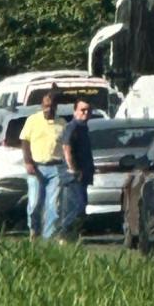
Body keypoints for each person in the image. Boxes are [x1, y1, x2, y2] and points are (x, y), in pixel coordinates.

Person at [20, 91, 67, 241]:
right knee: (34, 203)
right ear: (42, 106)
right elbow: (25, 142)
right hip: (36, 168)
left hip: (56, 168)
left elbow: (67, 147)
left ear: (56, 107)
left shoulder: (62, 124)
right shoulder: (32, 120)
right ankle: (33, 230)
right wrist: (28, 162)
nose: (49, 109)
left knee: (53, 206)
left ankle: (48, 237)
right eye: (46, 106)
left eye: (52, 106)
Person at [60, 98, 95, 240]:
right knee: (76, 206)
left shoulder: (83, 128)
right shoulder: (72, 127)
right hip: (73, 176)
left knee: (81, 207)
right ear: (75, 111)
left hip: (83, 174)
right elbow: (66, 147)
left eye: (88, 110)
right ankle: (65, 235)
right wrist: (73, 169)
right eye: (82, 110)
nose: (85, 113)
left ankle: (73, 236)